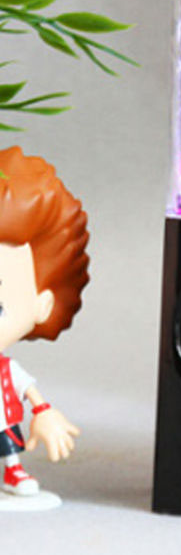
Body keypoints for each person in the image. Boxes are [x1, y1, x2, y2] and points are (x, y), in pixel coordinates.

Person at [0, 147, 88, 497]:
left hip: (3, 419)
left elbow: (28, 391)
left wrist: (43, 411)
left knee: (8, 442)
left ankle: (13, 470)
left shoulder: (8, 371)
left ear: (43, 305)